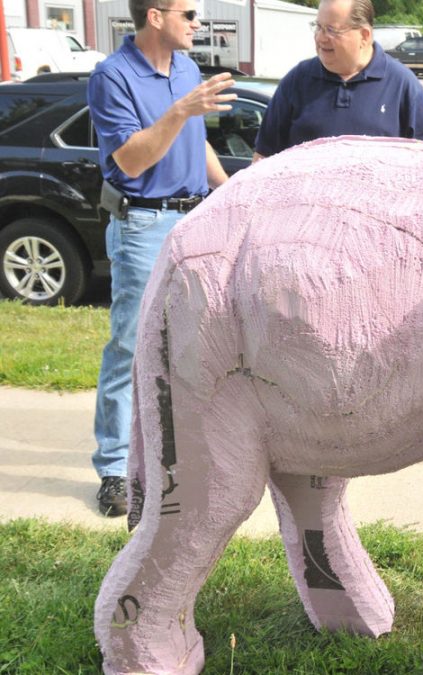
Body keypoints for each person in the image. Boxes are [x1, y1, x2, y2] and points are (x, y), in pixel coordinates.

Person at [89, 0, 236, 516]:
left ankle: (178, 457)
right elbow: (129, 159)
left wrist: (235, 190)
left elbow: (196, 146)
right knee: (131, 347)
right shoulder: (113, 77)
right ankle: (114, 470)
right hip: (143, 225)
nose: (198, 23)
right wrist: (179, 111)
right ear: (155, 17)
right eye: (188, 13)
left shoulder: (188, 68)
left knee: (193, 347)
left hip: (195, 220)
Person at [253, 0, 423, 161]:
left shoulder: (402, 84)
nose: (320, 38)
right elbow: (263, 157)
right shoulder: (297, 80)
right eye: (318, 27)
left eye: (331, 30)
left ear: (364, 36)